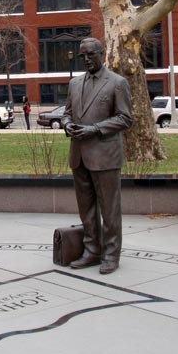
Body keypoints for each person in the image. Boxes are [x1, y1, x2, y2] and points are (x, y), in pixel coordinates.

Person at [61, 37, 132, 275]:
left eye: (90, 54)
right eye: (82, 55)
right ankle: (92, 251)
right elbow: (67, 112)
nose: (86, 59)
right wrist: (67, 123)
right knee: (86, 209)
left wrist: (94, 128)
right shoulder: (74, 83)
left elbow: (125, 118)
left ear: (101, 53)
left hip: (105, 155)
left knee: (109, 209)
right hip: (79, 154)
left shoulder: (117, 83)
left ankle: (111, 255)